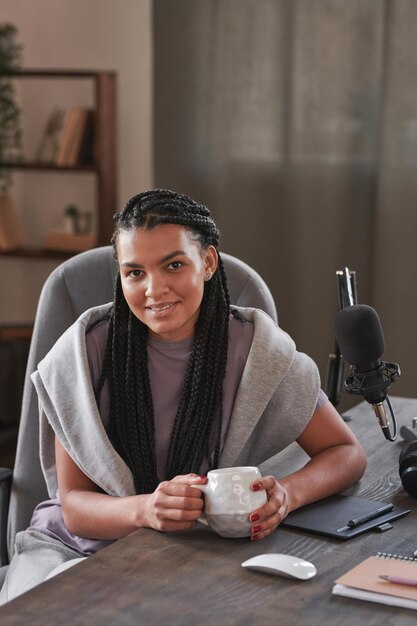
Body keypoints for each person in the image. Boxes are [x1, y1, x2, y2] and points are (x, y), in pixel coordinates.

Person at [0, 189, 366, 604]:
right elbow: (75, 506)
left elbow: (345, 453)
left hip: (196, 550)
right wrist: (146, 510)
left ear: (208, 263)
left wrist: (288, 494)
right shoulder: (84, 353)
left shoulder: (254, 350)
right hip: (75, 546)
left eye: (173, 265)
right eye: (134, 272)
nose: (154, 289)